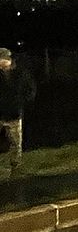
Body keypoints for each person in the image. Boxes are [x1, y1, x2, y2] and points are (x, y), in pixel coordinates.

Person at [0, 48, 36, 177]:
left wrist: (21, 102)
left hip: (14, 113)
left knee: (16, 143)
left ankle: (16, 169)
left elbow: (30, 89)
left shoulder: (20, 73)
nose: (2, 62)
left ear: (9, 60)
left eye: (4, 59)